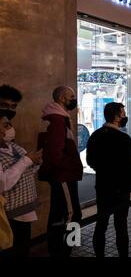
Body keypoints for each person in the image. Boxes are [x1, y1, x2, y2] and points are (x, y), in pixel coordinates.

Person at [86, 102, 131, 257]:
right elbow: (130, 164)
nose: (125, 116)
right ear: (116, 116)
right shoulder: (123, 138)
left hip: (103, 186)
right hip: (121, 188)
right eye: (123, 113)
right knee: (121, 225)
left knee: (101, 223)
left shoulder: (95, 135)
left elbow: (90, 161)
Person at [38, 86, 83, 257]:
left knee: (59, 214)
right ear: (63, 98)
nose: (74, 99)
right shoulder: (57, 120)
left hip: (64, 174)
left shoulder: (58, 118)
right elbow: (55, 153)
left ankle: (61, 250)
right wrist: (68, 167)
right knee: (72, 214)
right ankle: (65, 252)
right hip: (63, 176)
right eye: (72, 96)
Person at [0, 112, 42, 257]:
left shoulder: (14, 146)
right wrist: (26, 161)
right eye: (6, 125)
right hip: (9, 215)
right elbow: (2, 183)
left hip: (25, 208)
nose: (11, 128)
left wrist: (36, 162)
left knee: (23, 247)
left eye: (10, 124)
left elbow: (28, 171)